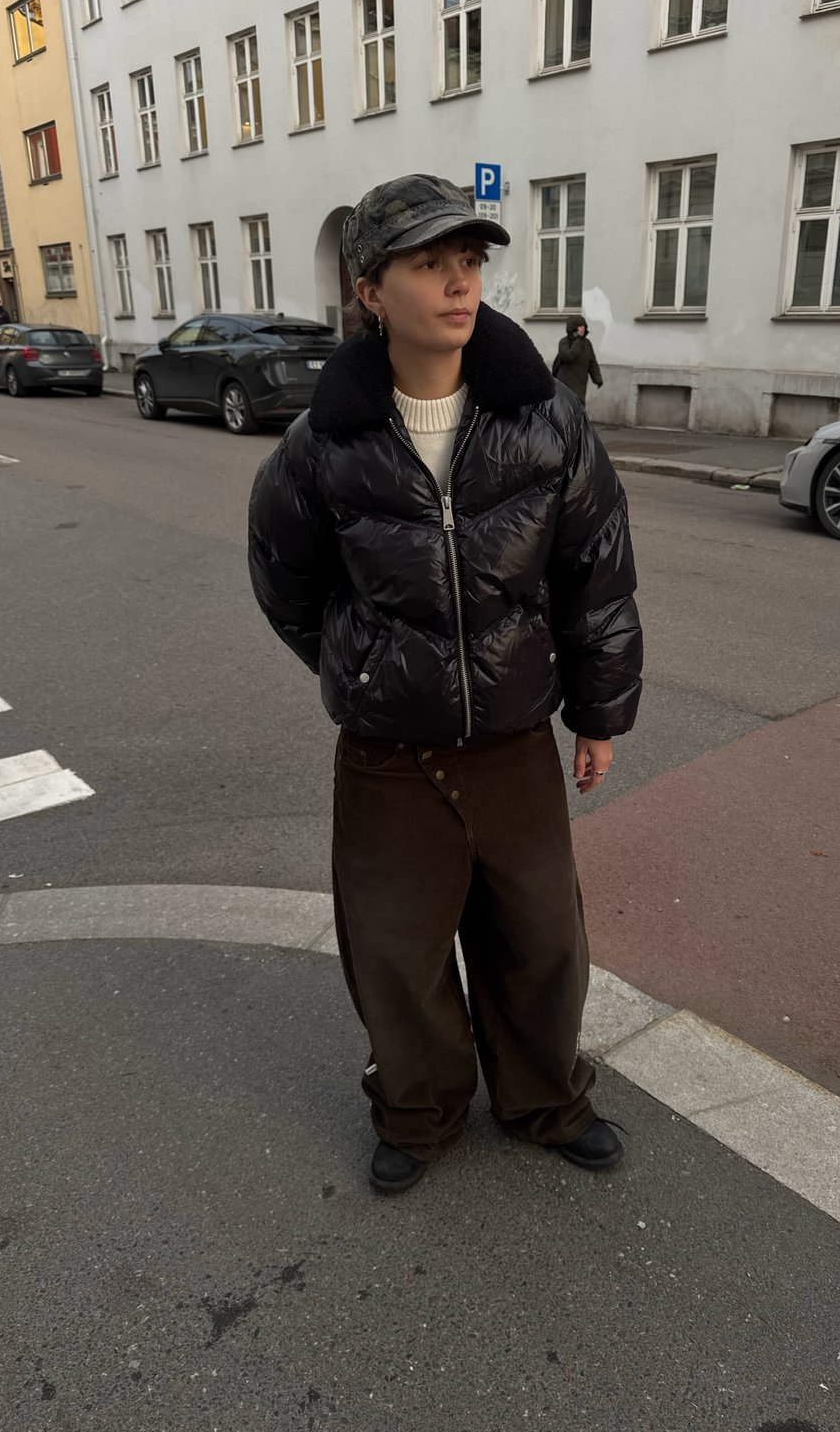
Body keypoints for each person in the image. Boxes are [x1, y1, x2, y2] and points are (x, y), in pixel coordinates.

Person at [248, 174, 642, 1194]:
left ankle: (546, 1099)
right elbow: (286, 583)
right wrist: (365, 668)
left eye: (469, 261)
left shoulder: (546, 423)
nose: (459, 283)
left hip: (513, 740)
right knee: (394, 950)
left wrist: (599, 712)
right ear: (371, 289)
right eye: (430, 263)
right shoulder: (320, 446)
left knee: (542, 940)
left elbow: (595, 573)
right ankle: (419, 1111)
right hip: (387, 754)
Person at [552, 315, 603, 406]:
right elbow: (568, 356)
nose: (583, 328)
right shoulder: (564, 342)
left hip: (580, 382)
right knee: (564, 408)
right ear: (573, 329)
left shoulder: (587, 344)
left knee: (579, 408)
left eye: (584, 326)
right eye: (580, 326)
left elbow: (592, 363)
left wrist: (597, 378)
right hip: (565, 382)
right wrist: (579, 340)